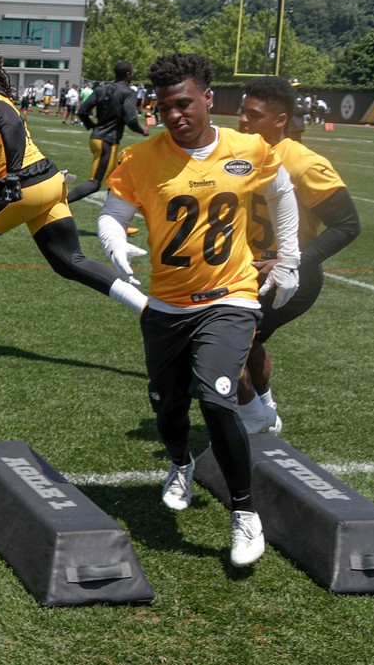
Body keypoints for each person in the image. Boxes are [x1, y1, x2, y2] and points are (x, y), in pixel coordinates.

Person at [98, 53, 302, 567]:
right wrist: (113, 240)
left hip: (229, 296)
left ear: (208, 98)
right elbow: (113, 211)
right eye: (164, 106)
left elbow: (282, 190)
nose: (174, 115)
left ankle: (244, 513)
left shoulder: (247, 148)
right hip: (166, 302)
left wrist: (291, 257)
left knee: (216, 398)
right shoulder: (144, 158)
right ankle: (179, 463)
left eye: (184, 103)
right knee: (167, 405)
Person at [0, 50, 147, 342]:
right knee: (70, 261)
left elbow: (11, 123)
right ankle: (148, 308)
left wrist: (13, 175)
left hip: (26, 187)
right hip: (50, 183)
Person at [235, 75, 360, 433]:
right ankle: (266, 409)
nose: (243, 121)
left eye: (254, 115)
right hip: (248, 270)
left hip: (291, 275)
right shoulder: (239, 152)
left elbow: (348, 225)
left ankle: (255, 419)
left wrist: (290, 261)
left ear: (280, 121)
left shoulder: (303, 164)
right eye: (242, 112)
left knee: (229, 343)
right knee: (247, 338)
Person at [71, 61, 149, 203]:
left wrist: (92, 126)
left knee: (115, 180)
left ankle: (112, 218)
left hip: (96, 139)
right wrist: (141, 129)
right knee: (94, 184)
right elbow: (131, 120)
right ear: (128, 75)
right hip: (108, 142)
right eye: (131, 73)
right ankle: (58, 204)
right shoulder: (128, 92)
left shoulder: (102, 88)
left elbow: (82, 111)